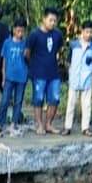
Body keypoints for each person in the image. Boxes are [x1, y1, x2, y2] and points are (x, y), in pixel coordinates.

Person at [25, 7, 65, 135]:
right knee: (38, 99)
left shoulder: (58, 34)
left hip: (54, 72)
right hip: (39, 73)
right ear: (44, 19)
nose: (53, 23)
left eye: (55, 21)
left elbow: (59, 50)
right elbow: (27, 53)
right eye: (50, 20)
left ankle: (48, 124)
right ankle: (39, 124)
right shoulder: (34, 34)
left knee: (54, 99)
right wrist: (34, 64)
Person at [64, 20, 92, 136]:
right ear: (82, 31)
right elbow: (68, 61)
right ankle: (67, 127)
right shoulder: (74, 45)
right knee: (71, 103)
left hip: (87, 80)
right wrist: (69, 74)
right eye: (87, 32)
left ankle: (85, 128)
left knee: (87, 105)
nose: (89, 34)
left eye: (91, 32)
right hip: (74, 79)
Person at [0, 17, 29, 134]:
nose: (20, 33)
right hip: (9, 77)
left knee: (18, 101)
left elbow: (28, 58)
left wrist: (27, 54)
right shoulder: (7, 43)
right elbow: (4, 60)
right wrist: (3, 76)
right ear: (14, 30)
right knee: (5, 100)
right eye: (18, 31)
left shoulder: (25, 43)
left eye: (22, 31)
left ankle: (14, 123)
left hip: (22, 77)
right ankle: (0, 123)